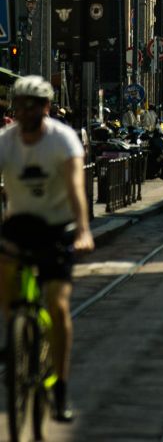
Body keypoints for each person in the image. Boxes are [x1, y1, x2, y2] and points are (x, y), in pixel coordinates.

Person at [0, 75, 94, 422]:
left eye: (34, 105)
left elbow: (75, 186)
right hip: (20, 224)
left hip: (58, 227)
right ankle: (14, 335)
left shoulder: (62, 140)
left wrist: (83, 230)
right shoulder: (5, 142)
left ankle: (61, 388)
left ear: (46, 108)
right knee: (4, 273)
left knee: (57, 304)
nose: (27, 112)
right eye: (21, 106)